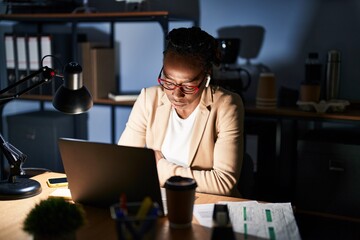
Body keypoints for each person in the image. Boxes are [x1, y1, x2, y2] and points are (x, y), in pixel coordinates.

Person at [118, 27, 244, 197]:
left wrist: (160, 167)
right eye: (168, 82)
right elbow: (123, 162)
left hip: (208, 204)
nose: (176, 94)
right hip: (160, 201)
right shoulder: (149, 99)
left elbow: (223, 183)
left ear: (206, 77)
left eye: (188, 86)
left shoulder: (226, 105)